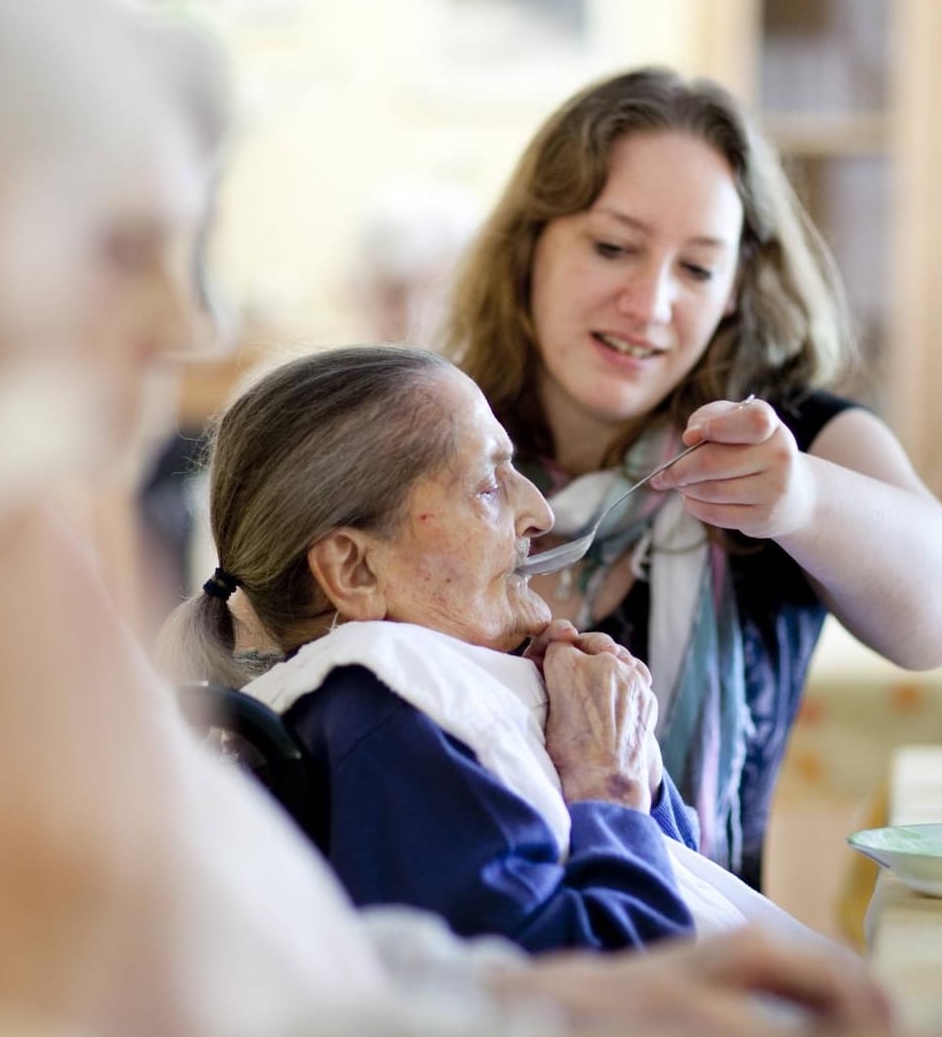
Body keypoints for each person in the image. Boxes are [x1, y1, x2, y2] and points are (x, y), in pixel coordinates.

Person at [0, 0, 896, 1034]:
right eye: (106, 249)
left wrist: (533, 993)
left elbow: (279, 970)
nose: (189, 323)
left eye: (701, 265)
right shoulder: (380, 702)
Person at [442, 67, 942, 881]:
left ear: (737, 291)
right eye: (613, 247)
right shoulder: (435, 437)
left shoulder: (793, 441)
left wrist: (804, 501)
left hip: (709, 970)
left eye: (697, 269)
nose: (651, 302)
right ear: (528, 249)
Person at [159, 345, 845, 955]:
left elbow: (679, 882)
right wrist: (608, 786)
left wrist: (626, 750)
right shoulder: (385, 714)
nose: (540, 514)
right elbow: (598, 990)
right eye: (487, 486)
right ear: (355, 572)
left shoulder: (434, 697)